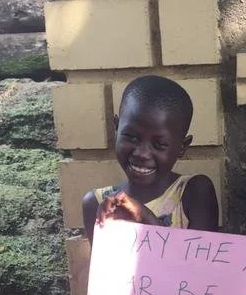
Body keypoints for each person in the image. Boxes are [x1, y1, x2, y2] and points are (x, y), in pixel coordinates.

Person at [82, 75, 218, 240]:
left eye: (159, 144)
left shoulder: (193, 193)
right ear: (116, 129)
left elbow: (200, 264)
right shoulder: (97, 204)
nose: (142, 153)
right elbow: (104, 265)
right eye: (131, 137)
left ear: (182, 147)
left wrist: (145, 218)